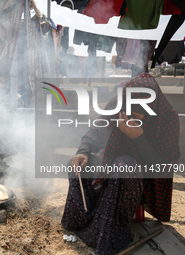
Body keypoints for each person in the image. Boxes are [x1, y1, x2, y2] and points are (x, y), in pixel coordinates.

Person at [61, 73, 180, 255]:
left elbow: (163, 168)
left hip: (144, 179)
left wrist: (139, 139)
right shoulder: (118, 105)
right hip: (110, 161)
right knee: (76, 165)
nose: (132, 114)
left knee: (125, 165)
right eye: (129, 109)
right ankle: (83, 220)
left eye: (140, 111)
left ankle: (108, 233)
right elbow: (95, 130)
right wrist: (83, 151)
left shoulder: (167, 119)